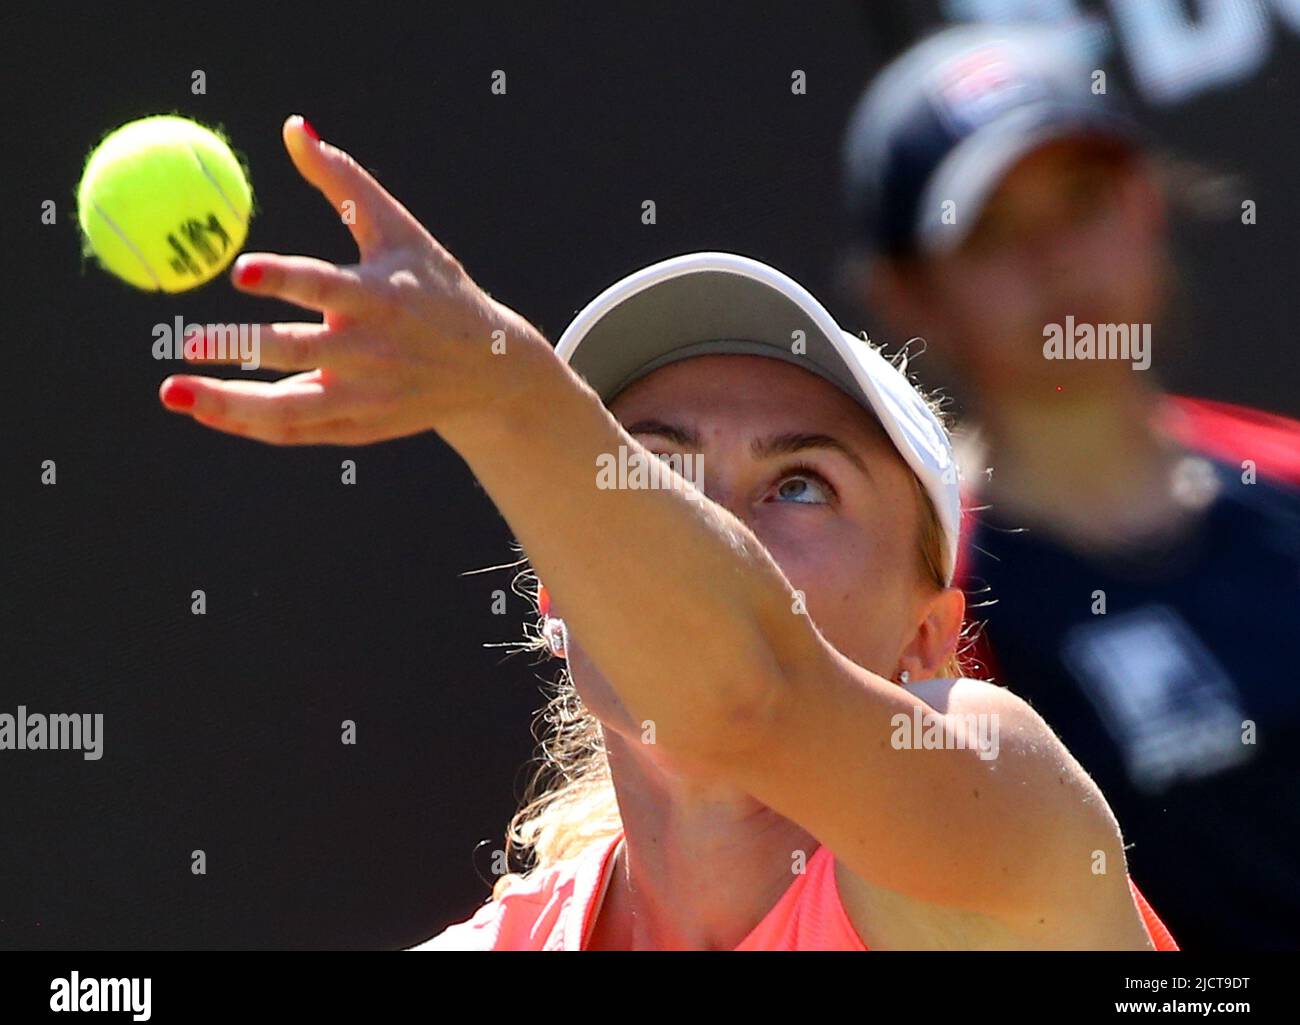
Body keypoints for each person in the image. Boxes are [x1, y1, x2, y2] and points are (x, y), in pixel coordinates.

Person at [159, 114, 1177, 950]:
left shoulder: (1003, 807)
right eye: (648, 475)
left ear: (926, 637)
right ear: (563, 587)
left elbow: (743, 693)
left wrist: (500, 388)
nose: (711, 519)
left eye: (801, 485)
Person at [842, 23, 1300, 949]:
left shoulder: (1288, 478)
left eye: (1082, 202)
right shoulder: (927, 605)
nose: (1053, 259)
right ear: (907, 294)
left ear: (1147, 208)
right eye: (994, 231)